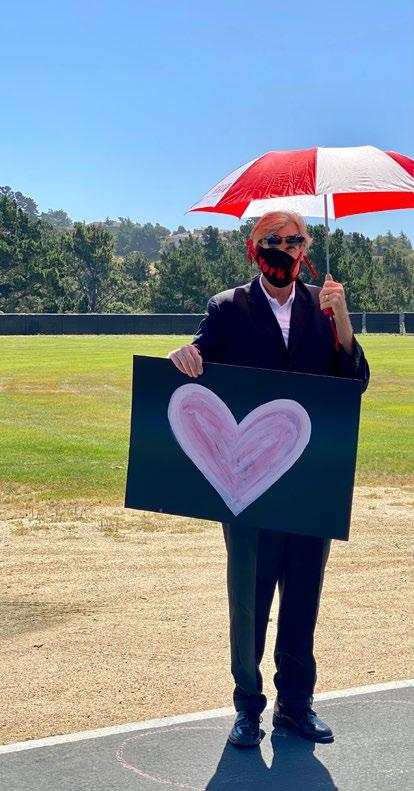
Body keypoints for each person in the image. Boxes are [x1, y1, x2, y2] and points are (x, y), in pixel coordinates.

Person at [168, 210, 370, 748]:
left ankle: (295, 706)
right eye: (272, 239)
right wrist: (183, 356)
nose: (284, 248)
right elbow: (199, 357)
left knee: (303, 598)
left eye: (294, 239)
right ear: (253, 246)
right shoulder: (228, 307)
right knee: (249, 601)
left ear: (307, 247)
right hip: (247, 485)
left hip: (308, 483)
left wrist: (342, 319)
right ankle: (247, 707)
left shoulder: (324, 306)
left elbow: (354, 383)